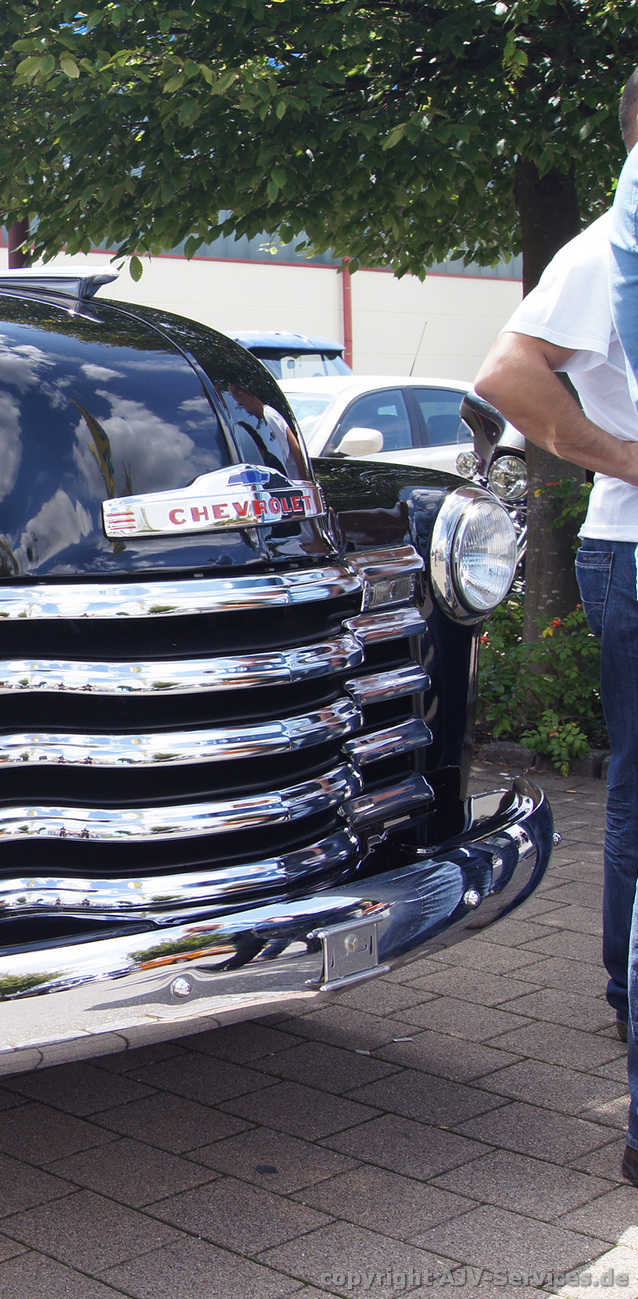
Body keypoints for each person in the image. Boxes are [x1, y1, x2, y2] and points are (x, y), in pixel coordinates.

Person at [478, 67, 638, 1186]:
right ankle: (626, 990)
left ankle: (625, 988)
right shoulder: (604, 253)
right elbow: (506, 376)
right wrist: (626, 458)